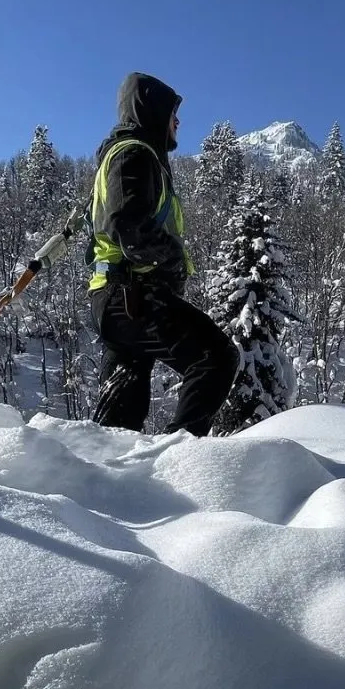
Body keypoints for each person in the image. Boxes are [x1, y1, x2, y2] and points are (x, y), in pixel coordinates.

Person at [85, 71, 239, 436]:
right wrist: (170, 259)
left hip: (118, 298)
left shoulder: (131, 156)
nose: (178, 121)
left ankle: (104, 476)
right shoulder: (135, 155)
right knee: (215, 358)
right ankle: (183, 463)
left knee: (120, 419)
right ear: (152, 112)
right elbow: (129, 227)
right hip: (132, 296)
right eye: (173, 113)